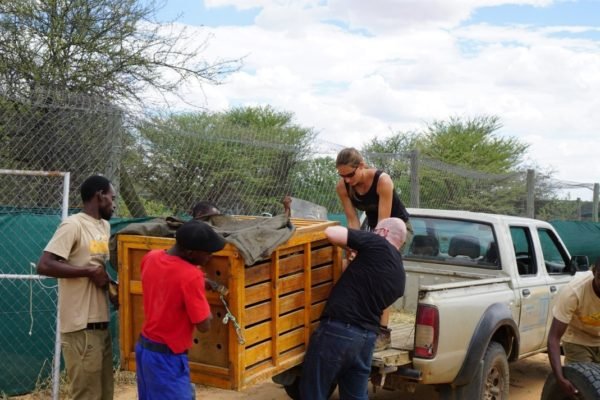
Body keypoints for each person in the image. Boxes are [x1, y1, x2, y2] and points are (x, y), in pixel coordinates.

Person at [300, 218, 407, 400]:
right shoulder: (399, 274)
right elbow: (366, 285)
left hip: (338, 332)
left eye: (374, 230)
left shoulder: (378, 244)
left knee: (313, 393)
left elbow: (331, 233)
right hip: (365, 341)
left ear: (384, 232)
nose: (372, 234)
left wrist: (360, 241)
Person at [37, 175, 117, 400]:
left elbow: (95, 265)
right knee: (85, 395)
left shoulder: (105, 225)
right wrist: (88, 272)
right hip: (81, 326)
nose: (114, 202)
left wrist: (111, 286)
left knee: (104, 394)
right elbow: (44, 265)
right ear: (99, 196)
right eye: (112, 197)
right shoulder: (73, 225)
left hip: (102, 325)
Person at [135, 219, 226, 400]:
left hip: (145, 350)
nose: (211, 257)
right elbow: (204, 324)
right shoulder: (191, 276)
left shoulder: (151, 257)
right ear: (190, 252)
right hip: (167, 359)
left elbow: (167, 279)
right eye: (207, 253)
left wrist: (197, 283)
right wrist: (198, 290)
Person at [335, 147, 412, 350]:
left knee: (380, 272)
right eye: (343, 176)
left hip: (396, 228)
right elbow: (352, 220)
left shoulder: (383, 181)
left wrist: (366, 249)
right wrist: (353, 245)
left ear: (362, 165)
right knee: (350, 266)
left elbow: (384, 225)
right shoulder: (343, 186)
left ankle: (383, 332)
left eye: (350, 175)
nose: (348, 180)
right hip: (372, 228)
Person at [547, 259, 600, 398]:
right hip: (577, 339)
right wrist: (559, 378)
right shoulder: (574, 291)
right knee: (583, 387)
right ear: (594, 272)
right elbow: (554, 337)